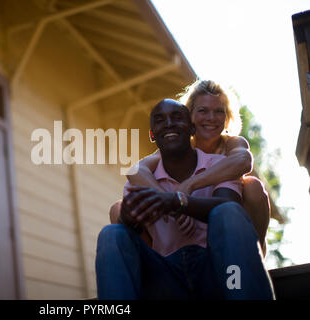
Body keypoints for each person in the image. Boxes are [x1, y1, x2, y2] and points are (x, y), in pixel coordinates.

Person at [95, 99, 275, 299]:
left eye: (177, 117)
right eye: (160, 120)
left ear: (191, 129)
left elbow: (228, 205)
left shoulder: (219, 166)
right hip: (166, 280)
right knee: (112, 233)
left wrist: (178, 202)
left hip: (221, 272)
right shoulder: (142, 180)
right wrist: (128, 220)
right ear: (152, 135)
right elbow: (133, 237)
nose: (169, 123)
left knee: (229, 212)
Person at [110, 80, 270, 256]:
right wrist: (171, 202)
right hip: (184, 225)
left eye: (219, 111)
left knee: (253, 186)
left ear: (227, 117)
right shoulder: (180, 146)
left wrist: (189, 185)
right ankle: (152, 266)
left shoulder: (231, 143)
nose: (211, 118)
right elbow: (136, 170)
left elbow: (243, 161)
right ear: (190, 116)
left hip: (224, 216)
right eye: (203, 111)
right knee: (118, 209)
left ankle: (256, 251)